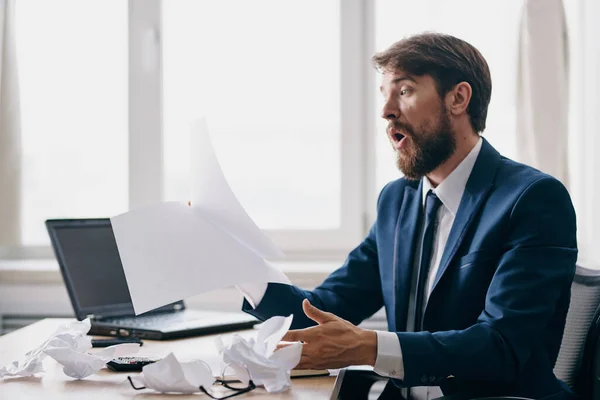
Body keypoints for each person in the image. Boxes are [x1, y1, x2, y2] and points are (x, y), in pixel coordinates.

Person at [237, 32, 577, 400]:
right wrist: (238, 266)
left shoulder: (533, 199)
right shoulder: (396, 201)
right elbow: (322, 312)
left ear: (458, 98)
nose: (386, 111)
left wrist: (370, 347)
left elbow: (501, 346)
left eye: (404, 91)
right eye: (384, 94)